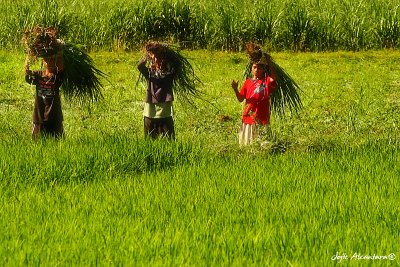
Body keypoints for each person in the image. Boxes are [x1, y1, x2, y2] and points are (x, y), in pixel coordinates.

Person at [231, 49, 278, 145]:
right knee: (248, 142)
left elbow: (274, 78)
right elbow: (241, 99)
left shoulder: (266, 81)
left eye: (260, 68)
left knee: (263, 142)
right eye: (255, 67)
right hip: (249, 115)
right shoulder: (248, 82)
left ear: (264, 69)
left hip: (262, 116)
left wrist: (269, 62)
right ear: (251, 69)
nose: (257, 70)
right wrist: (235, 89)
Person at [137, 42, 176, 139]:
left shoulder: (169, 72)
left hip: (164, 110)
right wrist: (147, 56)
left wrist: (166, 52)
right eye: (154, 58)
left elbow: (176, 64)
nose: (156, 60)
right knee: (150, 138)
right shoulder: (150, 73)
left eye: (159, 58)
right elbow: (140, 66)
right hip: (150, 110)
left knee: (169, 139)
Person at [25, 54, 65, 139]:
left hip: (54, 117)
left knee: (58, 143)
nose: (50, 62)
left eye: (52, 60)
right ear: (43, 62)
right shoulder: (38, 75)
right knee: (37, 144)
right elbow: (27, 74)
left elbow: (61, 68)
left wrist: (60, 52)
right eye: (47, 60)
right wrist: (28, 58)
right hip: (39, 117)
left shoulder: (57, 76)